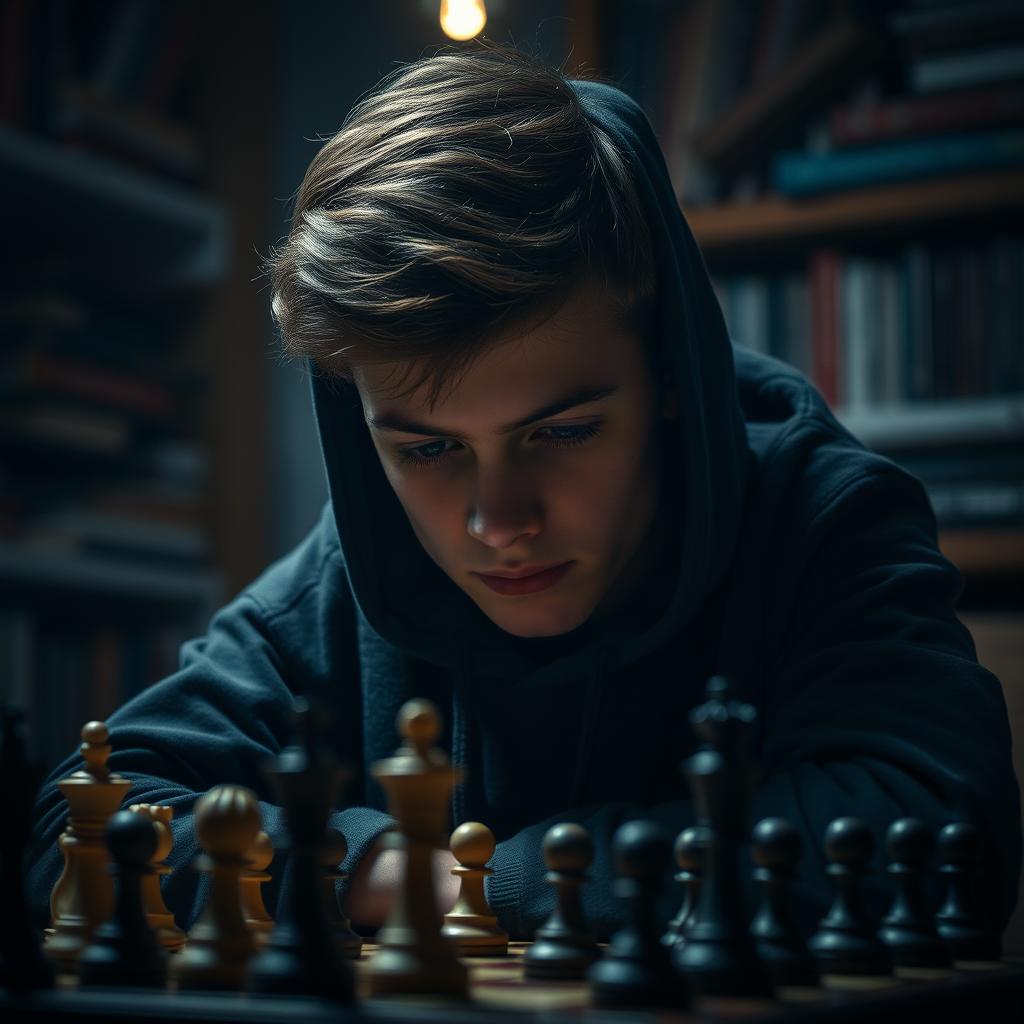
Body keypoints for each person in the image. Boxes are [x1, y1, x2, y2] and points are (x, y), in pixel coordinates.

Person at [28, 43, 1020, 941]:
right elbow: (74, 826)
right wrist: (387, 870)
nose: (496, 522)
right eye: (426, 450)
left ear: (672, 376)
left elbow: (942, 835)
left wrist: (492, 883)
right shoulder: (360, 558)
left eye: (561, 430)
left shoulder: (825, 515)